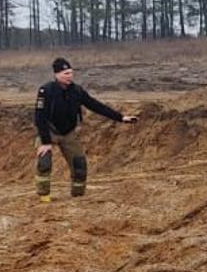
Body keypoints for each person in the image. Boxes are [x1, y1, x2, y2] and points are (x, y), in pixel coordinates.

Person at [34, 57, 138, 203]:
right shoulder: (46, 90)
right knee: (44, 163)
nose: (70, 76)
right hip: (49, 131)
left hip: (68, 132)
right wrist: (45, 142)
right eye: (66, 73)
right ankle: (44, 196)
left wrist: (121, 117)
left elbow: (95, 105)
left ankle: (78, 197)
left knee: (79, 164)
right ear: (56, 74)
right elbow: (40, 117)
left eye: (71, 73)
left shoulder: (77, 91)